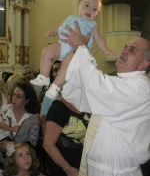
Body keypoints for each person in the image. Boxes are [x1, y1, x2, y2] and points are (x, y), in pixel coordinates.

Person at [60, 23, 150, 176]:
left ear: (143, 64)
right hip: (99, 168)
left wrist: (82, 48)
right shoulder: (122, 83)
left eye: (132, 50)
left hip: (118, 172)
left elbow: (96, 87)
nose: (124, 50)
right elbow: (87, 97)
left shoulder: (141, 88)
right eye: (125, 46)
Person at [30, 0, 116, 99]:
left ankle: (55, 86)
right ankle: (44, 76)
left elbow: (99, 39)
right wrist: (52, 32)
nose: (90, 10)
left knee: (65, 65)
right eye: (87, 5)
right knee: (47, 51)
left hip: (75, 52)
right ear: (77, 6)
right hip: (62, 46)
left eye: (94, 9)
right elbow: (59, 26)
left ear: (96, 14)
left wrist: (105, 50)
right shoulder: (70, 18)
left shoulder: (92, 25)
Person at [43, 96, 90, 176]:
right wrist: (68, 169)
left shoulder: (84, 105)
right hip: (63, 166)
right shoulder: (58, 108)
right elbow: (48, 145)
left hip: (80, 162)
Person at [41, 60, 62, 138]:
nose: (57, 72)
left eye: (61, 69)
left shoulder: (76, 91)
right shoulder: (49, 94)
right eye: (55, 70)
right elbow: (44, 121)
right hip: (55, 135)